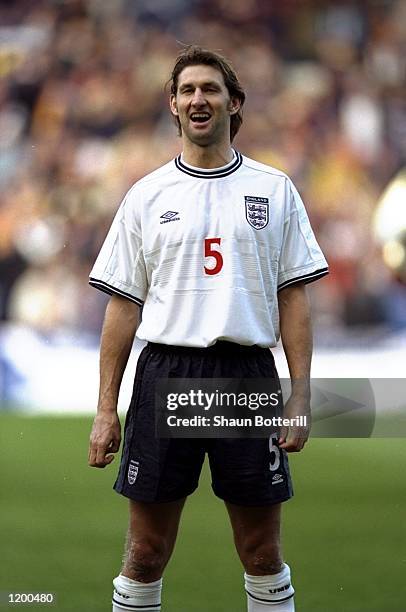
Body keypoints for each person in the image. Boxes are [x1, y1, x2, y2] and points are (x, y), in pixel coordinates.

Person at [88, 45, 328, 612]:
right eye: (188, 90)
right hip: (166, 375)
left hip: (246, 378)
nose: (199, 99)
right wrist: (105, 408)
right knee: (145, 552)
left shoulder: (274, 190)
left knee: (261, 550)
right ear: (173, 104)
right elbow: (122, 307)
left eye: (211, 89)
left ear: (233, 102)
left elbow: (293, 297)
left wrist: (300, 393)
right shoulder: (146, 195)